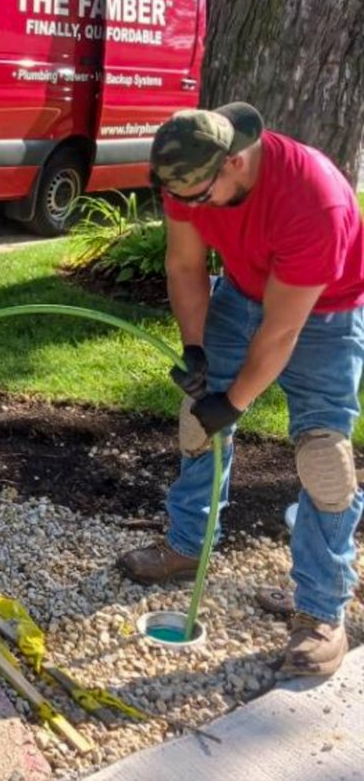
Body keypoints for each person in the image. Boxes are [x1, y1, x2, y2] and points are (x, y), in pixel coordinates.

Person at [119, 102, 364, 676]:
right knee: (194, 419)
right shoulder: (189, 177)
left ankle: (322, 613)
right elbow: (184, 266)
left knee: (324, 459)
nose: (193, 208)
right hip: (240, 294)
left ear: (235, 162)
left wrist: (231, 403)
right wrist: (196, 349)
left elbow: (281, 332)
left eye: (201, 197)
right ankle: (187, 544)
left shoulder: (312, 200)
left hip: (323, 315)